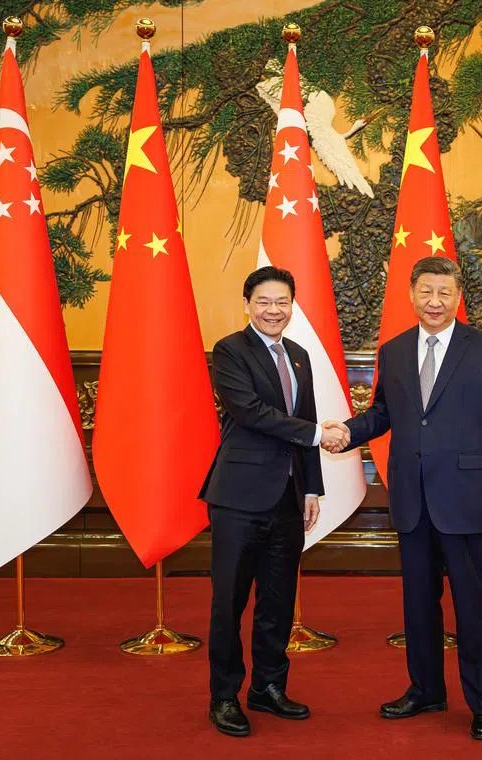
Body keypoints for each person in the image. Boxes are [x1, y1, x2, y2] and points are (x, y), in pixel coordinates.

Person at [323, 256, 482, 740]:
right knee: (418, 604)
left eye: (444, 293)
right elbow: (384, 413)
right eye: (426, 292)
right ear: (412, 295)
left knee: (474, 605)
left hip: (469, 497)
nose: (435, 301)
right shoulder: (393, 351)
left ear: (458, 298)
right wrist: (348, 430)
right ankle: (426, 689)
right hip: (411, 497)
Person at [199, 266, 349, 738]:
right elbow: (250, 412)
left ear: (292, 306)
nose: (273, 310)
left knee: (278, 601)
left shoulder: (300, 355)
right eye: (264, 301)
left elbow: (307, 419)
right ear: (248, 304)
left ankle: (268, 686)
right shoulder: (230, 351)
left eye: (282, 302)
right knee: (230, 602)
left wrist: (311, 488)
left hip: (287, 497)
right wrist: (316, 434)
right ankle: (224, 696)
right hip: (239, 499)